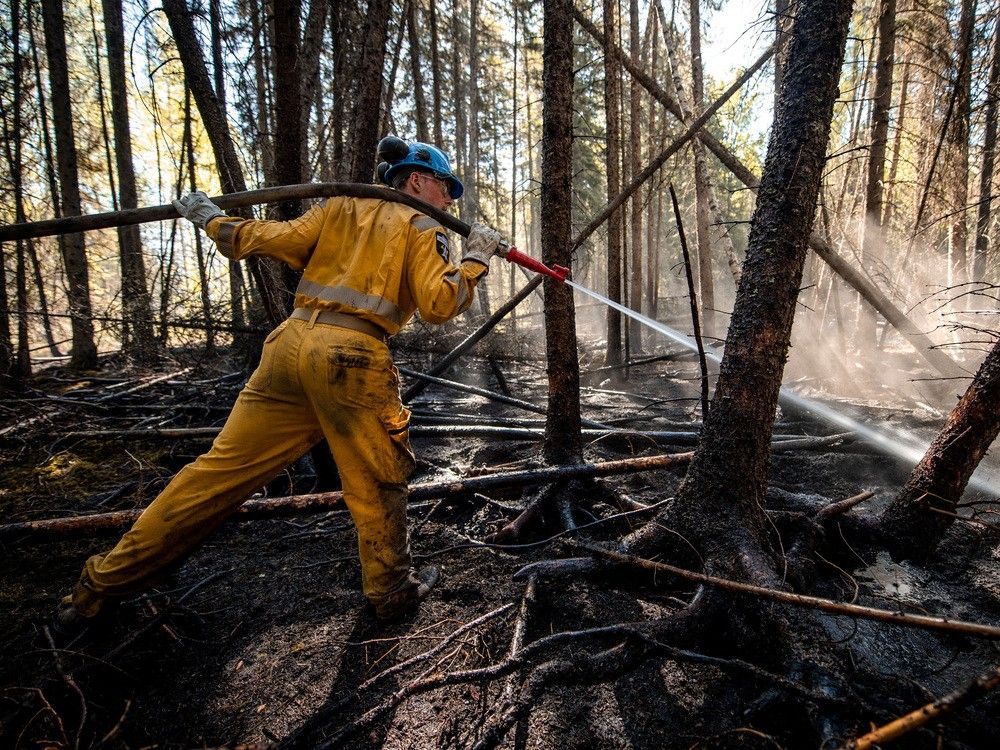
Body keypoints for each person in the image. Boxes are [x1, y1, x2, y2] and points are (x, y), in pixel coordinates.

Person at [54, 138, 502, 635]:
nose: (449, 201)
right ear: (417, 180)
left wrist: (208, 217)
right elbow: (439, 305)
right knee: (377, 483)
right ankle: (392, 593)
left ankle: (96, 590)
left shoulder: (338, 206)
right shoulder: (424, 225)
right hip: (351, 359)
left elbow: (265, 238)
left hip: (288, 349)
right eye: (445, 188)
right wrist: (476, 258)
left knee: (213, 477)